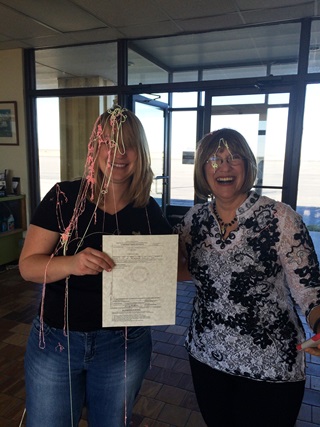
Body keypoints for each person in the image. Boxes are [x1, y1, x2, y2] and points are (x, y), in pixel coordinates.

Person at [19, 106, 172, 427]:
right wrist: (72, 262)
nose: (119, 153)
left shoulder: (147, 209)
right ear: (95, 147)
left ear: (140, 152)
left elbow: (168, 269)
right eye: (109, 143)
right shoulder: (63, 196)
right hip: (57, 342)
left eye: (128, 144)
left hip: (124, 344)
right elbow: (28, 267)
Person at [176, 128, 320, 427]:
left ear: (248, 165)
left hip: (271, 365)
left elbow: (309, 289)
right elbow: (180, 271)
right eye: (214, 159)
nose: (224, 167)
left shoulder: (280, 217)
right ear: (203, 168)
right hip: (208, 357)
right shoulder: (193, 220)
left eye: (234, 158)